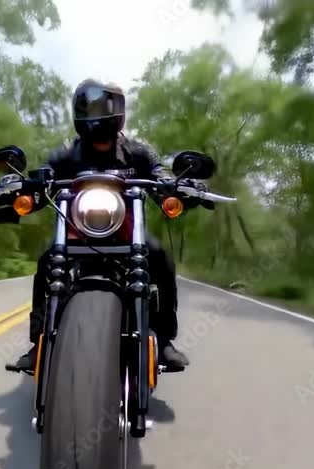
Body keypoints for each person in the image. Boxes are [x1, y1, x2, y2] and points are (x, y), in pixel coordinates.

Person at [13, 78, 190, 373]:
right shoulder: (66, 153)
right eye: (88, 107)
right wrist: (29, 190)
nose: (94, 114)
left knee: (161, 258)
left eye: (100, 107)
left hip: (127, 232)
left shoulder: (138, 151)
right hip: (77, 233)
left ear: (116, 109)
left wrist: (172, 187)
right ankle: (39, 341)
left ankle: (163, 339)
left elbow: (159, 173)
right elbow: (44, 175)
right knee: (46, 262)